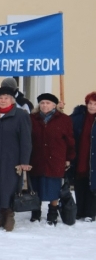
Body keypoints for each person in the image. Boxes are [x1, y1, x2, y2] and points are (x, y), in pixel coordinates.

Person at [0, 86, 32, 232]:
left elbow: (26, 139)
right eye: (0, 98)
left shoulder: (20, 115)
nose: (3, 100)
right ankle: (1, 215)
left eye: (6, 98)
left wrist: (24, 161)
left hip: (12, 158)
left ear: (12, 100)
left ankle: (9, 216)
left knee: (9, 187)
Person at [29, 93, 75, 226]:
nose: (44, 105)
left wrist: (68, 158)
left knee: (54, 187)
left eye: (48, 103)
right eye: (42, 103)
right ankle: (35, 211)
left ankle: (52, 212)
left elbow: (70, 141)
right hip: (36, 157)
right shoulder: (32, 118)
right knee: (36, 185)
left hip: (56, 158)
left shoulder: (64, 119)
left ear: (54, 105)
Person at [70, 92, 96, 222]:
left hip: (94, 156)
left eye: (95, 104)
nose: (92, 107)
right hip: (81, 154)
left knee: (93, 184)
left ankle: (90, 212)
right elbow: (66, 124)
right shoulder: (79, 117)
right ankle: (80, 210)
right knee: (80, 182)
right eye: (90, 103)